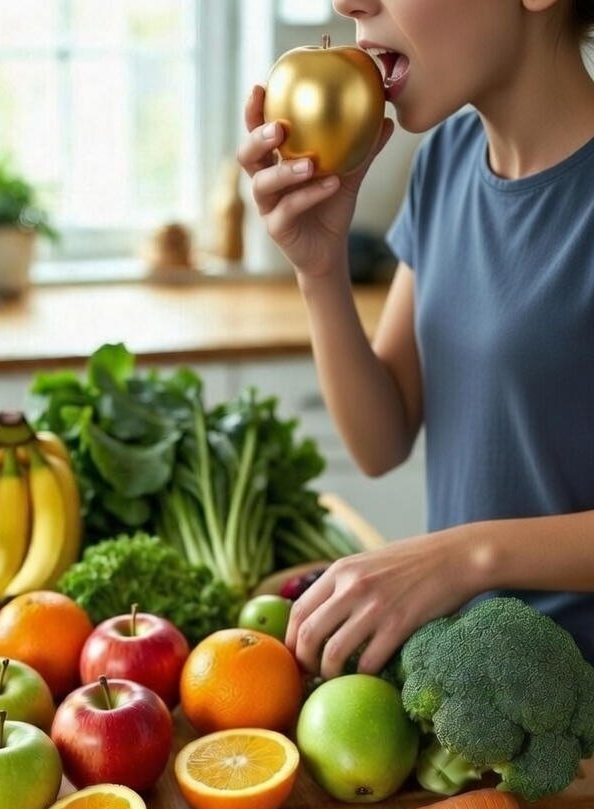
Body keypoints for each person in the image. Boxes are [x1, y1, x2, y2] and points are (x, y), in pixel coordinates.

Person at [237, 0, 594, 679]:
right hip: (463, 693)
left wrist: (465, 558)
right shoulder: (447, 163)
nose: (348, 3)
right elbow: (382, 440)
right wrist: (321, 269)